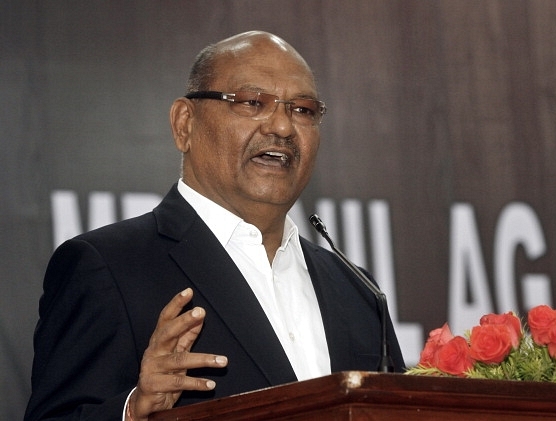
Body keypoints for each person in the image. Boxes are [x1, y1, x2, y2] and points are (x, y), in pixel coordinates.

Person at [24, 30, 405, 421]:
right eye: (253, 102)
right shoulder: (108, 267)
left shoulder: (358, 290)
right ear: (184, 124)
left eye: (302, 110)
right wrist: (133, 410)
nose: (283, 128)